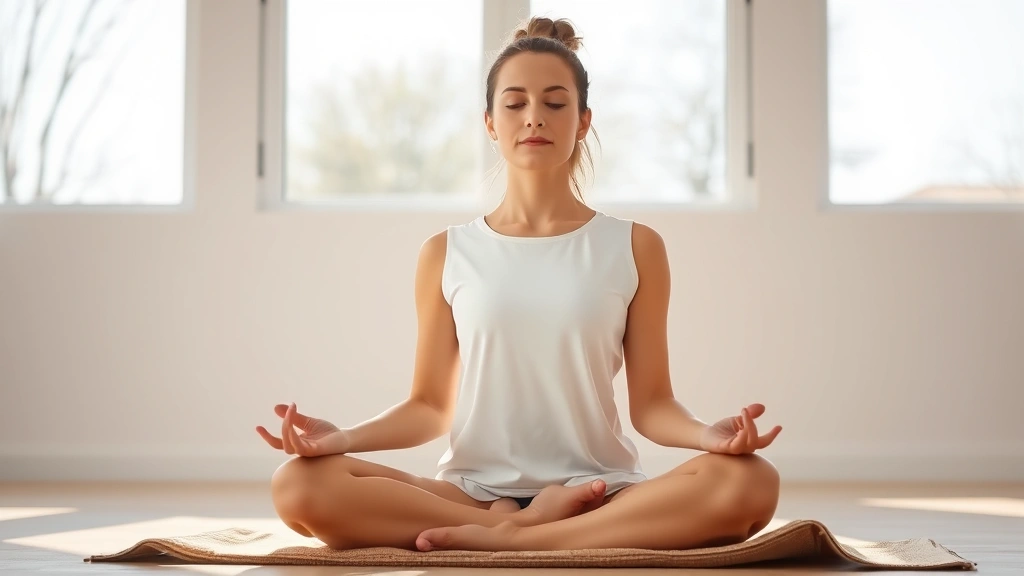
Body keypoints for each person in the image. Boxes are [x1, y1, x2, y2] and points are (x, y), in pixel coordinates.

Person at [256, 16, 783, 553]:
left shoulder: (634, 245)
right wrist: (341, 439)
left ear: (583, 120)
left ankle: (521, 538)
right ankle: (531, 534)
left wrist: (708, 437)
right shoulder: (446, 252)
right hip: (471, 495)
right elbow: (429, 406)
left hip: (600, 490)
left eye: (556, 103)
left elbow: (652, 405)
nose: (535, 117)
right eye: (515, 103)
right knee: (298, 484)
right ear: (490, 122)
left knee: (750, 481)